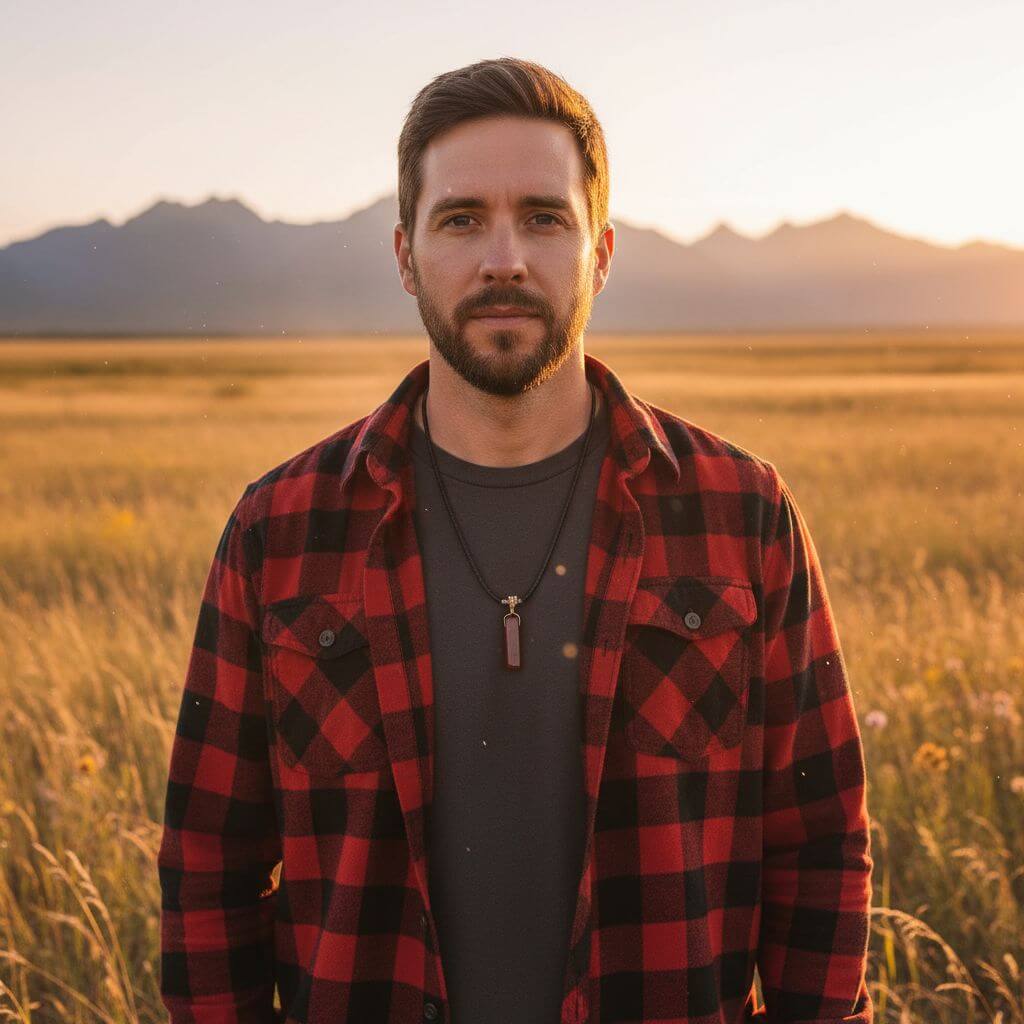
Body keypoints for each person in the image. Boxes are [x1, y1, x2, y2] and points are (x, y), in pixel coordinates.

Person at [158, 56, 874, 1024]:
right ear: (406, 255)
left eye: (544, 217)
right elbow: (210, 862)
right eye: (461, 219)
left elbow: (818, 846)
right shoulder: (278, 531)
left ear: (601, 252)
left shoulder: (739, 514)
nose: (505, 257)